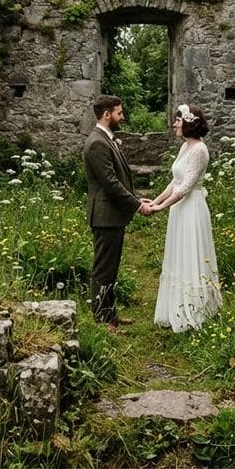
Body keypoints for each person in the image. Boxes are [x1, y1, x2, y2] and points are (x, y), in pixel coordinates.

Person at [147, 103, 222, 332]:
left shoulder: (200, 150)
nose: (174, 124)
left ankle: (196, 310)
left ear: (189, 123)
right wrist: (155, 201)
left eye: (178, 120)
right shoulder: (185, 147)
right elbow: (174, 182)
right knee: (178, 253)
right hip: (179, 209)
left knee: (192, 253)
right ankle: (177, 308)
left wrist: (160, 208)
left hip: (191, 208)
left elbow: (186, 187)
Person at [83, 94, 154, 329]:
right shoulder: (97, 143)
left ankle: (110, 313)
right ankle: (103, 321)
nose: (122, 117)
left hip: (112, 215)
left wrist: (135, 197)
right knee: (103, 269)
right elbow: (111, 183)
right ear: (107, 114)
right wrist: (137, 205)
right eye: (119, 113)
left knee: (111, 269)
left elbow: (117, 180)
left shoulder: (107, 139)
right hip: (105, 216)